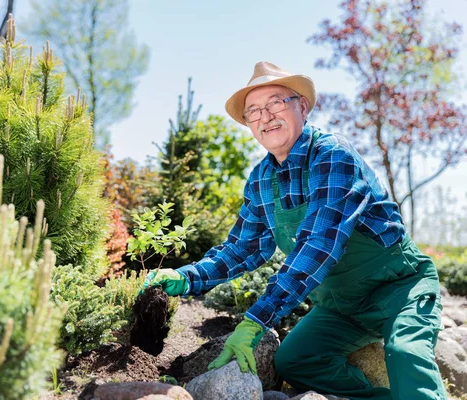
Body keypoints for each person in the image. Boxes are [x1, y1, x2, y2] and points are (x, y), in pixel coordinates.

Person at [142, 61, 447, 400]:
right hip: (342, 308)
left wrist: (256, 319)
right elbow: (242, 248)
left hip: (399, 289)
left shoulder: (332, 155)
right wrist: (186, 278)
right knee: (295, 361)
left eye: (275, 103)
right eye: (253, 112)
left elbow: (319, 244)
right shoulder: (260, 180)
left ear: (302, 106)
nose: (266, 116)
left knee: (406, 354)